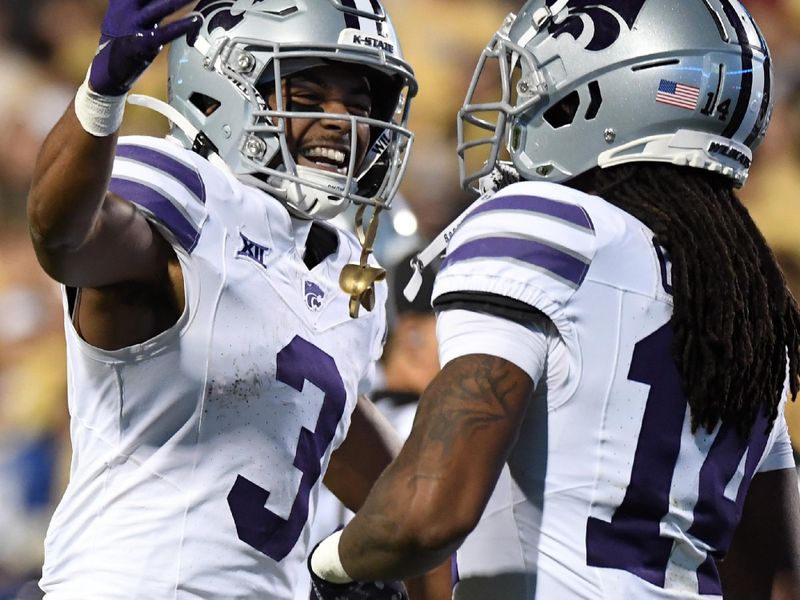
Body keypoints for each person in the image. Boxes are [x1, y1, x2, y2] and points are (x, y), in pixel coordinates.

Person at [308, 1, 800, 598]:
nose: (520, 110)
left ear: (609, 97)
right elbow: (772, 579)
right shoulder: (740, 299)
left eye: (547, 89)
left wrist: (332, 563)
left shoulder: (546, 225)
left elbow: (431, 511)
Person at [25, 0, 432, 598]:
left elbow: (403, 495)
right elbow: (63, 236)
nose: (341, 124)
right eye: (309, 97)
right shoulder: (185, 196)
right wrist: (99, 98)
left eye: (360, 106)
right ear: (221, 91)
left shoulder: (342, 266)